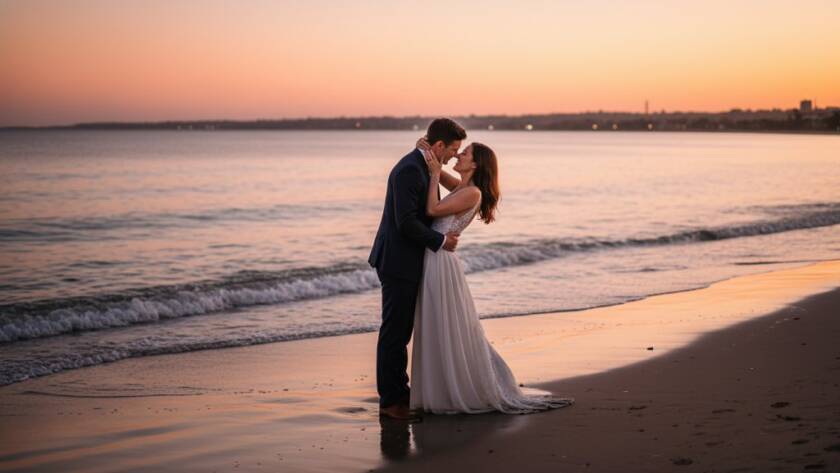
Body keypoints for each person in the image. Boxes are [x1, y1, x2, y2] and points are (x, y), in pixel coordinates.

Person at [410, 138, 575, 414]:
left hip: (441, 262)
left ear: (475, 164)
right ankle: (442, 388)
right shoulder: (462, 187)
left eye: (465, 153)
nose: (459, 155)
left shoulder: (472, 193)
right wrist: (428, 153)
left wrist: (435, 173)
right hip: (437, 257)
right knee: (440, 323)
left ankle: (455, 389)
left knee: (446, 323)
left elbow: (431, 211)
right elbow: (440, 174)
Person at [368, 118, 466, 420]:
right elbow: (405, 221)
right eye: (451, 150)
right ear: (437, 145)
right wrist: (440, 241)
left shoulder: (425, 164)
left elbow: (457, 186)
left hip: (410, 259)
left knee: (402, 330)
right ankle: (392, 401)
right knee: (395, 333)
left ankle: (400, 391)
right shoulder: (410, 170)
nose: (452, 156)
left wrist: (434, 164)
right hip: (397, 261)